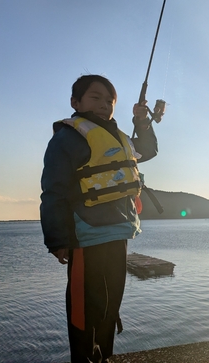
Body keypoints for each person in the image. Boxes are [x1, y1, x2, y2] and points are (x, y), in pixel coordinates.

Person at [40, 74, 160, 363]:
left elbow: (149, 149)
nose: (104, 105)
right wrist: (57, 240)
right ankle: (82, 358)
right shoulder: (67, 139)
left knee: (110, 302)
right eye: (95, 98)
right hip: (85, 236)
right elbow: (52, 192)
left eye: (110, 101)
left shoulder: (119, 139)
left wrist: (142, 121)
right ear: (75, 102)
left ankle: (104, 355)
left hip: (119, 232)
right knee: (84, 309)